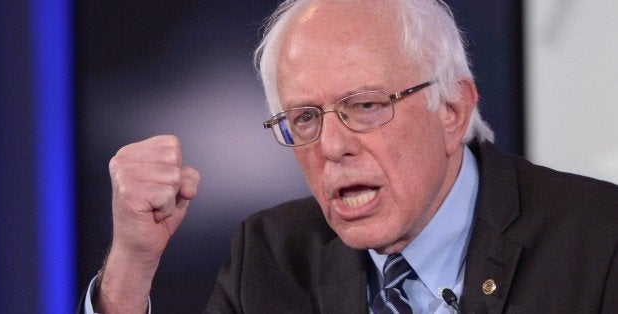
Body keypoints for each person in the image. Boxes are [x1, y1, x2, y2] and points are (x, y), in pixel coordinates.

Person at [81, 0, 618, 313]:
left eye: (364, 105)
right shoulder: (270, 258)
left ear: (452, 109)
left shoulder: (598, 241)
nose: (332, 146)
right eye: (306, 118)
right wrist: (132, 265)